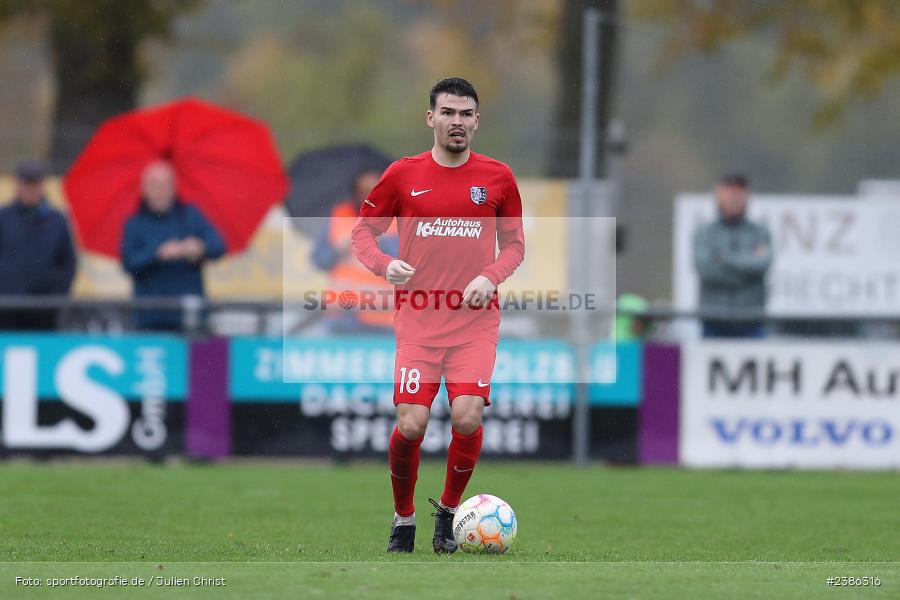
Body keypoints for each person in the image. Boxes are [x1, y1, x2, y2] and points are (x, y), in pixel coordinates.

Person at [352, 77, 525, 553]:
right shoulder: (403, 175)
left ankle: (447, 515)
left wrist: (490, 275)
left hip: (474, 322)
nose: (457, 121)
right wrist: (384, 265)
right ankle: (403, 517)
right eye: (448, 112)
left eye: (466, 114)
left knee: (467, 417)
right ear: (431, 118)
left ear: (477, 121)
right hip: (419, 321)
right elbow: (363, 233)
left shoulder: (498, 178)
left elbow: (515, 245)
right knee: (411, 424)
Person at [121, 161, 226, 332]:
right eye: (155, 185)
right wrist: (158, 254)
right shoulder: (134, 224)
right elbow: (129, 263)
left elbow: (219, 246)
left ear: (174, 187)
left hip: (190, 317)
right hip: (149, 319)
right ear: (144, 189)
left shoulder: (191, 215)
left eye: (166, 184)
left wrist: (200, 247)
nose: (161, 191)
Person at [311, 169, 399, 333]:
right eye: (365, 191)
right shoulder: (339, 217)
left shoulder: (398, 222)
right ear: (355, 194)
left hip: (383, 318)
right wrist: (338, 251)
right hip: (342, 316)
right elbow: (319, 260)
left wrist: (378, 243)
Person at [693, 173, 773, 338]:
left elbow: (762, 264)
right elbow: (706, 270)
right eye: (729, 193)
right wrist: (747, 273)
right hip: (714, 325)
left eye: (738, 194)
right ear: (718, 195)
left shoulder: (760, 231)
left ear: (747, 197)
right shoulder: (704, 232)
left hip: (752, 324)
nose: (733, 199)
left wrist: (724, 260)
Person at [0, 159, 77, 330]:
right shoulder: (4, 217)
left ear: (42, 186)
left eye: (34, 184)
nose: (30, 189)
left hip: (44, 308)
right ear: (17, 185)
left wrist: (57, 296)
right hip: (6, 307)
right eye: (26, 183)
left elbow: (68, 262)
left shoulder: (56, 220)